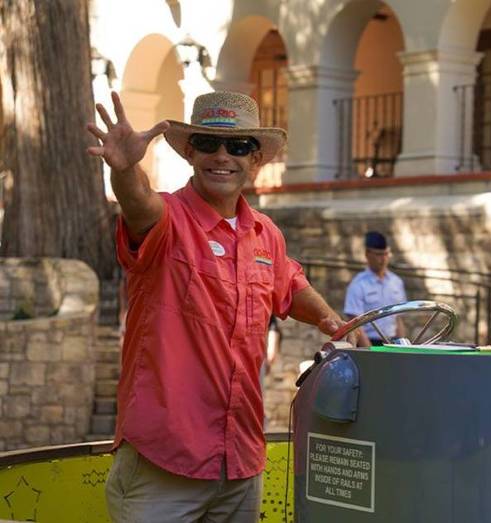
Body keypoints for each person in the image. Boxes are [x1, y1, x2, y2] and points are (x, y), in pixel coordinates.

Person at [86, 90, 349, 522]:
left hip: (239, 462)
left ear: (256, 159)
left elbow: (289, 281)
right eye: (208, 143)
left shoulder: (265, 234)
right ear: (190, 152)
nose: (222, 155)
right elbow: (137, 205)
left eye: (239, 145)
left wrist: (328, 318)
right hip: (164, 461)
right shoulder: (168, 218)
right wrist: (126, 170)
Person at [344, 231, 407, 346]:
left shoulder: (396, 282)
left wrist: (402, 346)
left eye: (386, 254)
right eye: (378, 254)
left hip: (392, 342)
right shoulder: (358, 284)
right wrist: (370, 351)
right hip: (369, 342)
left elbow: (398, 319)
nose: (383, 259)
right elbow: (354, 322)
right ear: (367, 254)